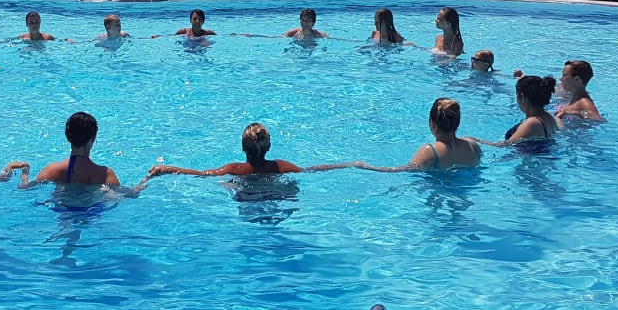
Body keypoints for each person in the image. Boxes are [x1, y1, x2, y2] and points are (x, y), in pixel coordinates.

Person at [146, 122, 344, 179]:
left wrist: (168, 168)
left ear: (242, 147)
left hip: (247, 199)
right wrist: (350, 164)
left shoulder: (236, 169)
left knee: (228, 185)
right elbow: (312, 170)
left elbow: (202, 174)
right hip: (274, 195)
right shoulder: (281, 167)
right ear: (269, 146)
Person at [351, 98, 482, 172]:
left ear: (432, 124)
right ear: (458, 122)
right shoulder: (473, 146)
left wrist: (365, 166)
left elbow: (402, 170)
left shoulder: (430, 151)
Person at [27, 112, 130, 189]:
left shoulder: (52, 170)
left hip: (60, 210)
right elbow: (129, 194)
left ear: (68, 137)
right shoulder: (104, 174)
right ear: (93, 138)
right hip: (92, 210)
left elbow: (26, 188)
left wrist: (24, 172)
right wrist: (140, 184)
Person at [480, 75, 559, 146]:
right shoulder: (548, 117)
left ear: (522, 97)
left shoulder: (532, 123)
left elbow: (502, 146)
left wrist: (478, 141)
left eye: (517, 96)